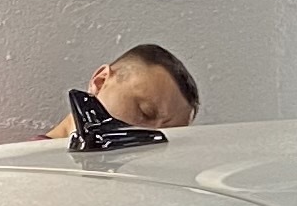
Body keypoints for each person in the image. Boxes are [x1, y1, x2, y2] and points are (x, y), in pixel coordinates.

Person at [43, 43, 200, 140]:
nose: (151, 135)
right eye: (144, 113)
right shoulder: (34, 168)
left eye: (168, 134)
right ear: (100, 81)